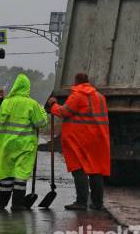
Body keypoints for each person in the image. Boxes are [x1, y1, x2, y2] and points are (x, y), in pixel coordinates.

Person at [47, 73, 110, 210]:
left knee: (78, 169)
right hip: (98, 139)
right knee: (96, 170)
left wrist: (53, 105)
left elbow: (64, 112)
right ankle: (97, 203)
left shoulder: (77, 95)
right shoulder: (100, 97)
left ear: (76, 82)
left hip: (80, 139)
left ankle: (81, 202)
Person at [0, 74, 47, 211]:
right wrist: (42, 111)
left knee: (6, 174)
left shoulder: (6, 102)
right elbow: (41, 123)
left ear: (15, 86)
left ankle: (1, 203)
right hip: (24, 146)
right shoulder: (32, 104)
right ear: (27, 88)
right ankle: (17, 204)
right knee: (20, 175)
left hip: (7, 145)